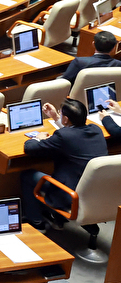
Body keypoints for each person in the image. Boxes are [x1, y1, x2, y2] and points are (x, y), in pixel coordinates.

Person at [21, 98, 108, 228]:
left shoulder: (63, 136)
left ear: (66, 119)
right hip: (95, 193)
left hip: (69, 194)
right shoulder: (96, 129)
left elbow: (30, 148)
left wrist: (36, 138)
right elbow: (73, 134)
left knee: (27, 175)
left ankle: (36, 221)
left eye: (61, 114)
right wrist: (56, 118)